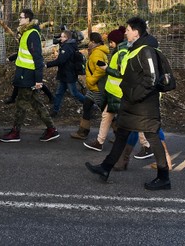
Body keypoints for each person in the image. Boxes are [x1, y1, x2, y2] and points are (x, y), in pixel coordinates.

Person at [85, 17, 171, 190]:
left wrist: (135, 95)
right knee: (122, 133)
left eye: (128, 30)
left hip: (144, 105)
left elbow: (152, 79)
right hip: (131, 102)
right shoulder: (134, 49)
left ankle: (164, 178)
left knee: (152, 138)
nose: (125, 33)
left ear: (136, 33)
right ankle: (105, 168)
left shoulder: (146, 50)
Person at [0, 9, 59, 143]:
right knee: (36, 103)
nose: (19, 19)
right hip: (24, 74)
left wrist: (38, 79)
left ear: (28, 19)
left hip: (27, 75)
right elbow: (24, 52)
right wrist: (13, 57)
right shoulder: (26, 33)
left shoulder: (32, 34)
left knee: (21, 104)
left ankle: (15, 132)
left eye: (21, 17)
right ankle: (51, 129)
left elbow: (37, 57)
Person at [84, 27, 128, 151]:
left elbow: (122, 72)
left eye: (111, 42)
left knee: (130, 120)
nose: (110, 44)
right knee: (106, 115)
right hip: (113, 91)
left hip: (117, 92)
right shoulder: (118, 51)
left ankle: (143, 144)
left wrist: (106, 69)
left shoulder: (121, 53)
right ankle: (99, 141)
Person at [71, 32, 108, 140]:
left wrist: (91, 81)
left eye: (90, 41)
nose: (88, 43)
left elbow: (101, 70)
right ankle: (83, 131)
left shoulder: (97, 53)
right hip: (94, 88)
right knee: (87, 106)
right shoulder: (96, 51)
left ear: (93, 42)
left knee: (106, 112)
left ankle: (119, 133)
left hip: (96, 88)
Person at [47, 29, 86, 117]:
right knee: (59, 93)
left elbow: (60, 60)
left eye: (62, 37)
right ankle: (55, 111)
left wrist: (47, 64)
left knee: (74, 93)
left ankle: (89, 104)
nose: (60, 38)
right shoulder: (69, 45)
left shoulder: (67, 47)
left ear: (67, 38)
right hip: (65, 74)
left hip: (68, 74)